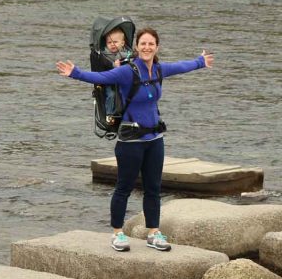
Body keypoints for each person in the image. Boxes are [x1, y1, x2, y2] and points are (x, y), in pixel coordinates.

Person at [57, 27, 214, 252]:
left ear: (156, 47)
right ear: (137, 47)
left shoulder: (159, 70)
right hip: (130, 141)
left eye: (151, 44)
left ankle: (153, 233)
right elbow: (100, 77)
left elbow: (180, 66)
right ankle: (118, 233)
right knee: (124, 188)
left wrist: (200, 62)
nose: (147, 47)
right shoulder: (127, 72)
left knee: (153, 188)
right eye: (143, 44)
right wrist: (75, 72)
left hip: (155, 139)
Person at [101, 26, 133, 118]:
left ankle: (128, 112)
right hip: (110, 82)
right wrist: (114, 66)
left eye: (115, 42)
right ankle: (109, 114)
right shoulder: (105, 55)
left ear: (122, 43)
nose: (112, 44)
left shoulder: (127, 53)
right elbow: (104, 68)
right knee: (111, 95)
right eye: (109, 42)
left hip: (123, 82)